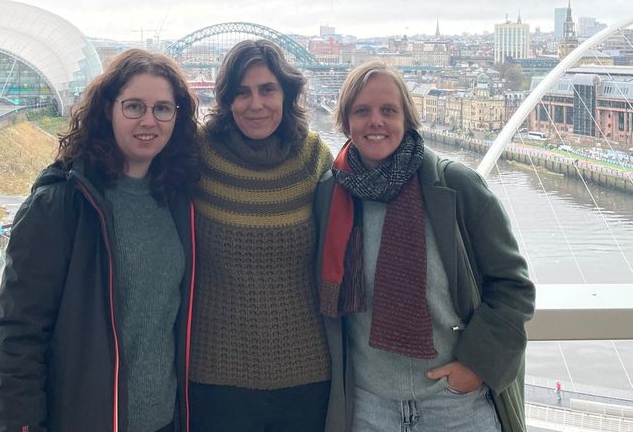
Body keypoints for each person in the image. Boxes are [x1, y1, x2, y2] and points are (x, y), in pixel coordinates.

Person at [317, 60, 535, 432]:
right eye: (362, 111)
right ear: (345, 121)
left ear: (408, 118)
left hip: (455, 406)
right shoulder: (330, 194)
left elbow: (513, 287)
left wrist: (476, 366)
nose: (376, 121)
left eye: (389, 110)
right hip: (369, 407)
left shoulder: (457, 187)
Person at [0, 49, 200, 432]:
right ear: (108, 109)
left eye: (163, 109)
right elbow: (18, 336)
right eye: (134, 106)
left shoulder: (177, 198)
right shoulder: (61, 203)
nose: (148, 121)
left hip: (166, 421)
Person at [189, 39, 334, 431]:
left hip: (306, 374)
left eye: (267, 89)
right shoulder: (196, 156)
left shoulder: (313, 157)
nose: (256, 104)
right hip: (213, 374)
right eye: (242, 92)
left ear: (287, 93)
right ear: (226, 100)